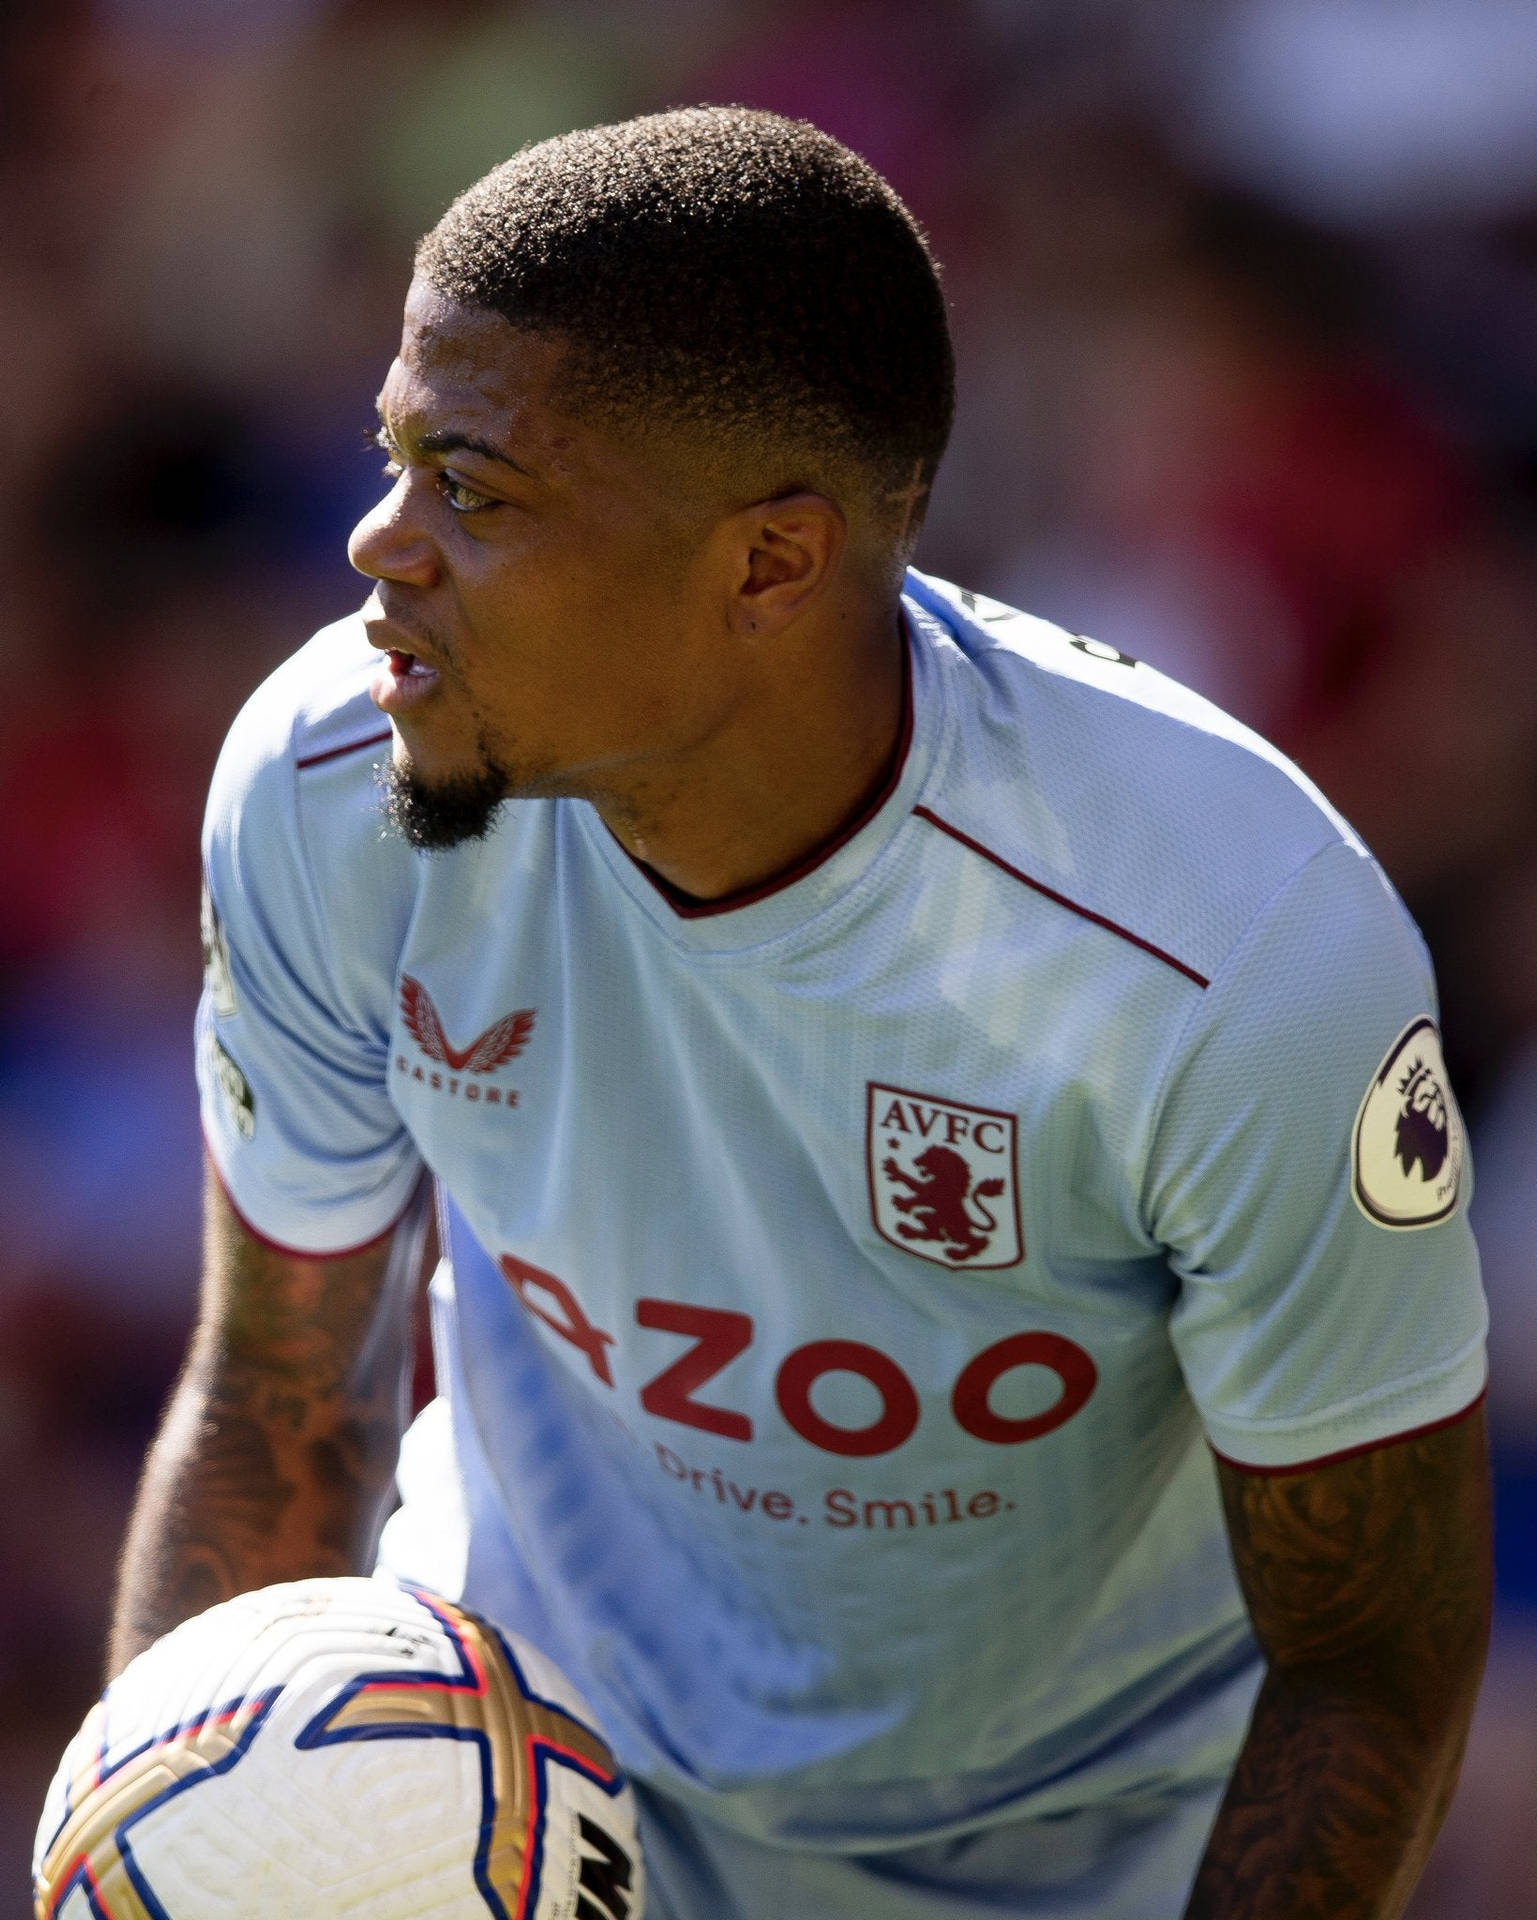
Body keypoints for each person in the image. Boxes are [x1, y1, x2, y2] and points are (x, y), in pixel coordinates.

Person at [110, 107, 1491, 1919]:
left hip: (1098, 1875)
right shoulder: (325, 783)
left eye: (478, 485)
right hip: (535, 1812)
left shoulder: (1231, 957)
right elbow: (280, 1395)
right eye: (393, 457)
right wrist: (160, 1832)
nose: (381, 545)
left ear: (769, 564)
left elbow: (1366, 1665)